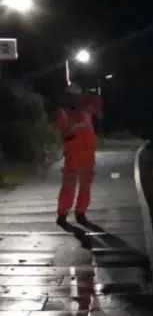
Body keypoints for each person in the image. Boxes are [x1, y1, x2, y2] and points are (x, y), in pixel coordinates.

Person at [55, 82, 102, 226]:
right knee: (69, 185)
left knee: (85, 185)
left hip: (87, 154)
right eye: (72, 96)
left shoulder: (86, 111)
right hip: (73, 154)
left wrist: (91, 93)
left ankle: (81, 212)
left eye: (76, 96)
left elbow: (98, 105)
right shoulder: (63, 112)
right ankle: (62, 213)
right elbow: (64, 132)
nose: (75, 99)